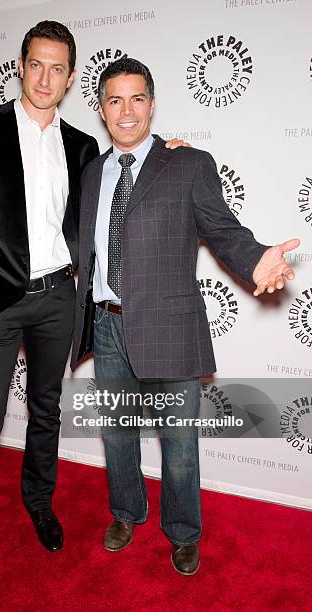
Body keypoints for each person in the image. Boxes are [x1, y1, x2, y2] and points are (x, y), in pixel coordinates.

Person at [71, 57, 299, 576]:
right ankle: (126, 513)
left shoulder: (188, 164)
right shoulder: (90, 174)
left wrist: (256, 256)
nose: (126, 111)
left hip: (170, 327)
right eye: (114, 100)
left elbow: (222, 229)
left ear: (151, 105)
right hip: (108, 326)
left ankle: (183, 532)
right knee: (118, 433)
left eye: (136, 99)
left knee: (178, 444)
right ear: (102, 109)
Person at [0, 21, 99, 598]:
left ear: (71, 77)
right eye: (37, 64)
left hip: (59, 298)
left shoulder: (82, 147)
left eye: (58, 68)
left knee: (47, 411)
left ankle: (39, 504)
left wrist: (170, 151)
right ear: (20, 66)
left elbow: (108, 207)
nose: (46, 77)